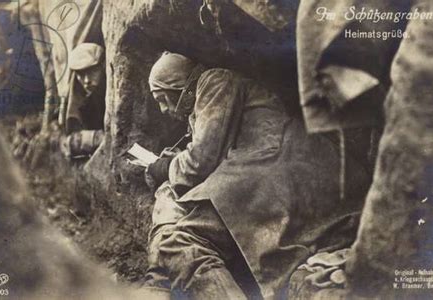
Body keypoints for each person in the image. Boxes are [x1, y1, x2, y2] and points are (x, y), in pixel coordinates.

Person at [140, 52, 371, 299]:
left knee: (177, 243)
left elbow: (199, 162)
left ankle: (161, 280)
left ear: (177, 86)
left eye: (162, 98)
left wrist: (164, 168)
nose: (164, 109)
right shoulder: (220, 93)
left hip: (272, 174)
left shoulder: (214, 80)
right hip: (298, 179)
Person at [60, 43, 106, 159]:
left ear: (103, 66)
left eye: (92, 72)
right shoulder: (80, 97)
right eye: (80, 74)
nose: (86, 81)